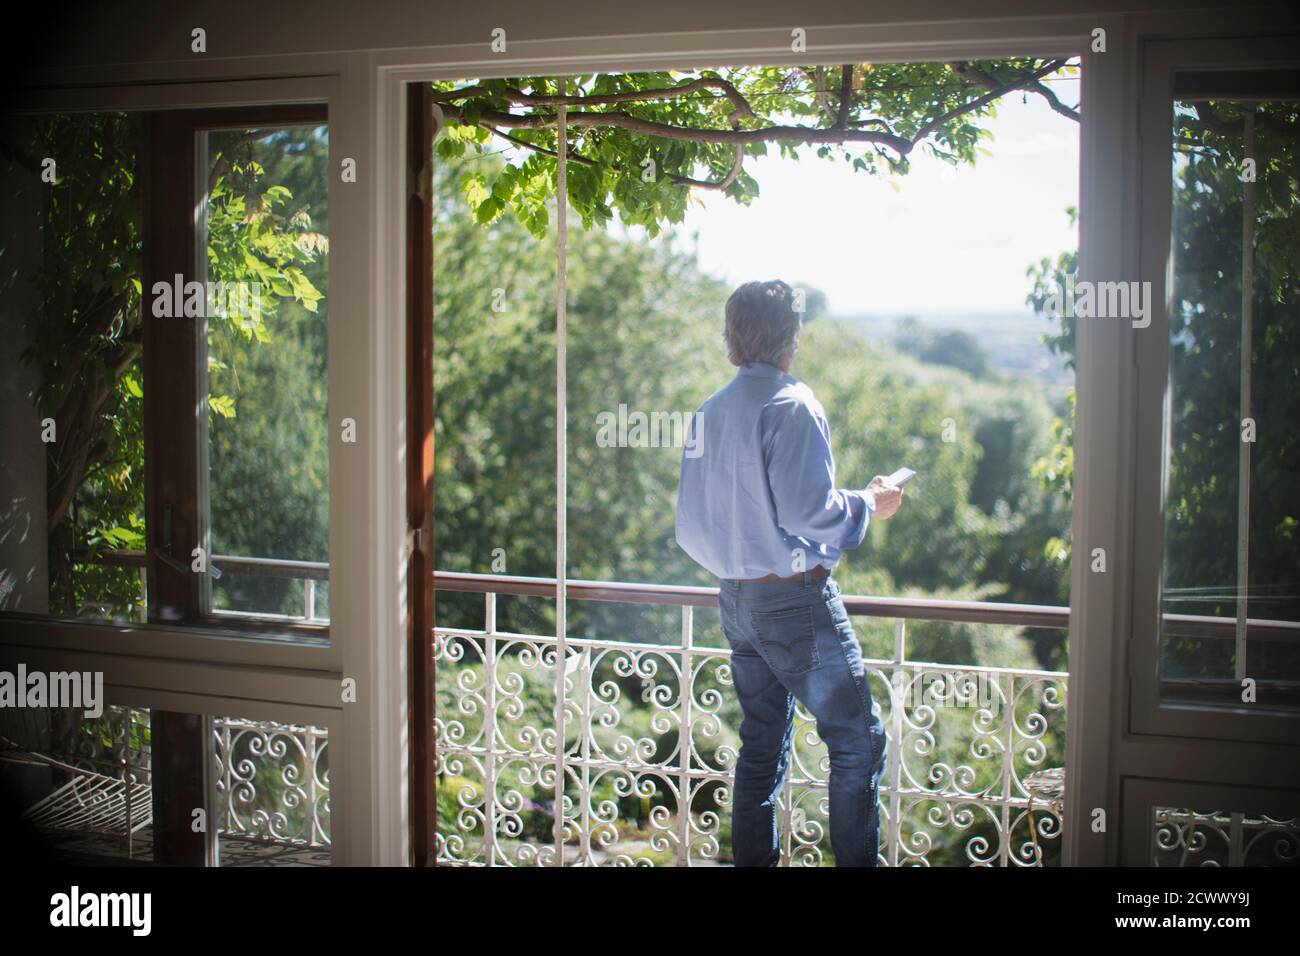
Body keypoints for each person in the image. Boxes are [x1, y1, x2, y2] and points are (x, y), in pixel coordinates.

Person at [675, 279, 903, 867]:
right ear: (791, 338)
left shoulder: (710, 410)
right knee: (857, 743)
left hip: (735, 602)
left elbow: (690, 526)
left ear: (732, 335)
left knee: (759, 747)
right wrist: (867, 504)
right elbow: (809, 512)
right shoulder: (792, 404)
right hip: (792, 605)